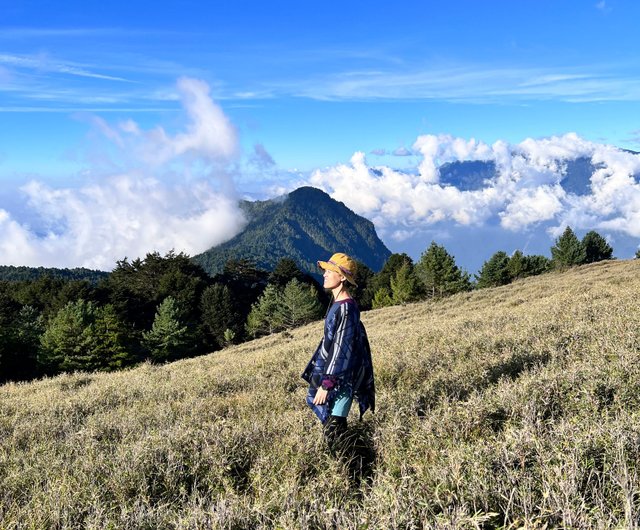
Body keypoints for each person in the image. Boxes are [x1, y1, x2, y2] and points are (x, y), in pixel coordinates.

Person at [301, 252, 375, 453]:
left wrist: (327, 384)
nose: (324, 274)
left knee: (335, 429)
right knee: (333, 429)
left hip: (341, 380)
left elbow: (342, 349)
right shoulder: (339, 305)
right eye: (324, 270)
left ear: (342, 277)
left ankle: (357, 470)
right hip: (336, 377)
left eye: (330, 271)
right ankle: (351, 467)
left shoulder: (346, 309)